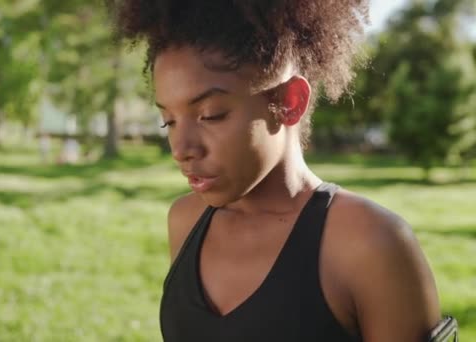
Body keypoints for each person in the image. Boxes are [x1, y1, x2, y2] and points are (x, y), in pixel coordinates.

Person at [111, 1, 441, 341]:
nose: (181, 149)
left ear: (289, 101)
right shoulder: (185, 221)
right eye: (168, 120)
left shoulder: (370, 243)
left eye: (210, 115)